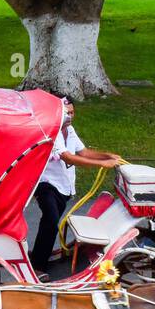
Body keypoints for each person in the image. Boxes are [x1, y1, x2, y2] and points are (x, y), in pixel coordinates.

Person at [30, 99, 122, 277]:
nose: (70, 116)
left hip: (63, 187)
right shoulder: (53, 132)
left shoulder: (69, 130)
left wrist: (107, 156)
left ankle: (39, 257)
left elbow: (83, 152)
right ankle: (38, 267)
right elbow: (68, 158)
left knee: (50, 223)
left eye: (72, 112)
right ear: (57, 114)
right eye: (66, 113)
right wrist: (102, 164)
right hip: (46, 184)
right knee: (51, 219)